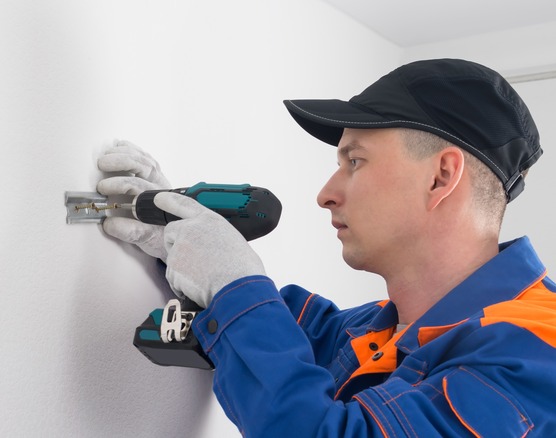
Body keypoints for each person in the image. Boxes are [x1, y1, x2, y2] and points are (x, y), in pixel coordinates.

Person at [96, 59, 556, 437]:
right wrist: (179, 237)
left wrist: (233, 282)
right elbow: (292, 331)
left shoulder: (536, 352)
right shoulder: (383, 331)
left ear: (440, 177)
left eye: (355, 161)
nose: (326, 194)